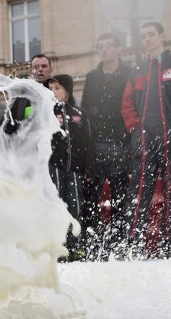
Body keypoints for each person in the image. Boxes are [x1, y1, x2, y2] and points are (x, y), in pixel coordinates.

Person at [121, 21, 171, 258]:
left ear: (162, 36)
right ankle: (133, 244)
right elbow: (126, 105)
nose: (146, 39)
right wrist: (136, 129)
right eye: (142, 35)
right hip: (144, 138)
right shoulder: (137, 70)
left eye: (150, 34)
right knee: (139, 191)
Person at [80, 32, 131, 257]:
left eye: (108, 46)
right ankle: (94, 242)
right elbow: (85, 108)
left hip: (121, 141)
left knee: (121, 195)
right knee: (91, 195)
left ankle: (119, 242)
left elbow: (133, 105)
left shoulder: (129, 73)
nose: (103, 50)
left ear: (119, 49)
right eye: (99, 47)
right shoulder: (92, 77)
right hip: (97, 142)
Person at [44, 74, 90, 261]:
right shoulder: (46, 111)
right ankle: (58, 246)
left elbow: (88, 142)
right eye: (51, 88)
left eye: (57, 88)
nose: (53, 92)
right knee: (57, 206)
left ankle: (75, 245)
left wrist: (89, 167)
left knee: (75, 206)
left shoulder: (79, 113)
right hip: (54, 165)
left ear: (68, 90)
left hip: (75, 168)